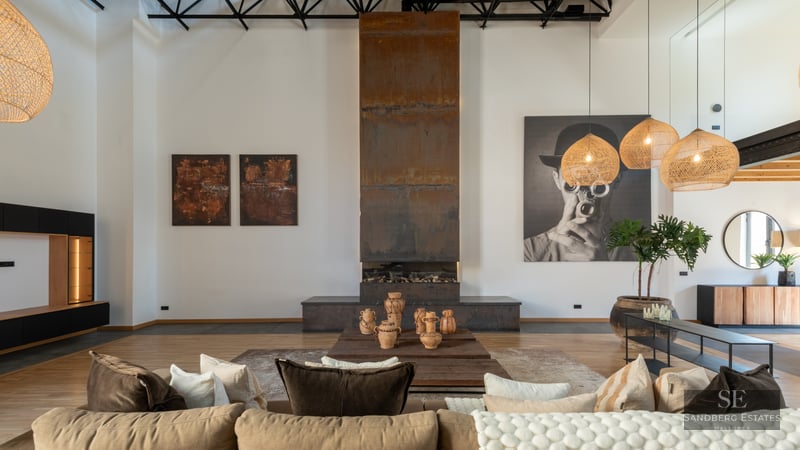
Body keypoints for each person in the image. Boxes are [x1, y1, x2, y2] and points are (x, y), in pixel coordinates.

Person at [523, 123, 632, 262]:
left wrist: (603, 269)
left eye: (598, 182)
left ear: (617, 179)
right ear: (557, 180)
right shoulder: (529, 252)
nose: (584, 195)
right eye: (573, 182)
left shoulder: (644, 250)